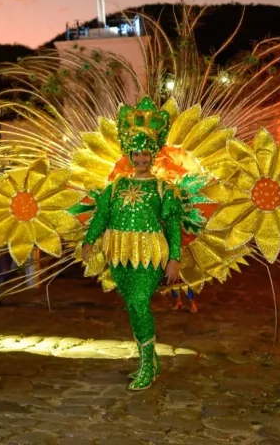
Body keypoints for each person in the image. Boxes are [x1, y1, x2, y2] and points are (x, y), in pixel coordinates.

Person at [80, 110, 183, 390]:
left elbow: (173, 225)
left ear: (154, 156)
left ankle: (146, 366)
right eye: (136, 153)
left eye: (145, 154)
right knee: (132, 306)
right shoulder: (116, 186)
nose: (140, 159)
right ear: (128, 154)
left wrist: (174, 259)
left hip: (150, 256)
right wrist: (89, 240)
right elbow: (102, 216)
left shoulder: (164, 189)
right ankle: (149, 359)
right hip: (120, 254)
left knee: (139, 303)